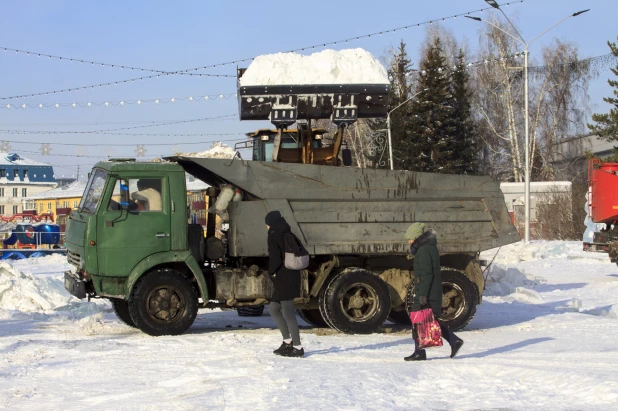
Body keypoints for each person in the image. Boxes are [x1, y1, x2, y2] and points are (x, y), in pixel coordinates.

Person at [404, 222, 464, 361]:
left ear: (417, 237)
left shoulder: (423, 251)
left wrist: (423, 295)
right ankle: (453, 341)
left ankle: (420, 352)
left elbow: (426, 275)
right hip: (431, 290)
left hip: (427, 292)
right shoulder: (429, 248)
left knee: (419, 319)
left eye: (410, 238)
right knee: (429, 321)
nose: (408, 241)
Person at [265, 210, 304, 358]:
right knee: (274, 308)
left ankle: (298, 347)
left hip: (284, 278)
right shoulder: (288, 233)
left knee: (288, 312)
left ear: (270, 224)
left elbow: (275, 259)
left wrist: (271, 272)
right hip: (291, 275)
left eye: (266, 224)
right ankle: (287, 342)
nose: (266, 227)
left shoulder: (274, 235)